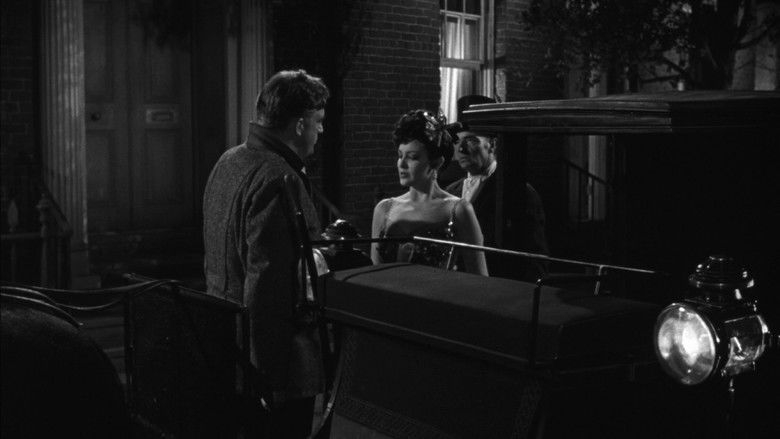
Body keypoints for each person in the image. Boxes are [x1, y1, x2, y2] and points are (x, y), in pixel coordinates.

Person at [202, 69, 328, 437]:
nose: (321, 131)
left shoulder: (229, 160)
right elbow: (267, 288)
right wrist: (268, 380)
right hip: (273, 365)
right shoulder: (278, 179)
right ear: (300, 124)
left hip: (224, 346)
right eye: (319, 122)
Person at [371, 109, 488, 276]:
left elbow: (480, 279)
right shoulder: (384, 209)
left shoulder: (457, 210)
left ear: (436, 163)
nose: (402, 164)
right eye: (400, 155)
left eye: (412, 157)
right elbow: (373, 276)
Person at [445, 95, 549, 282]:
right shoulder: (451, 192)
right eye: (458, 142)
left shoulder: (519, 192)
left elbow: (535, 261)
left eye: (470, 141)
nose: (461, 149)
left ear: (492, 144)